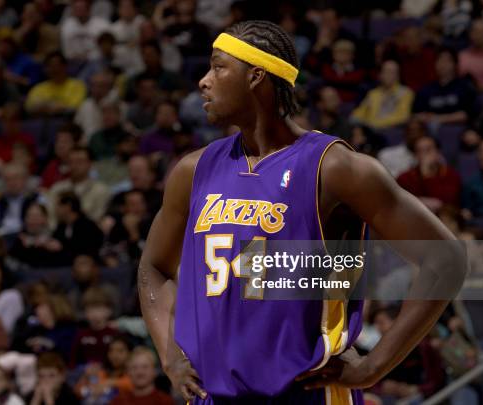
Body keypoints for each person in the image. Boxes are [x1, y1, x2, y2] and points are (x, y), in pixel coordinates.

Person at [138, 20, 465, 404]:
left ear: (256, 76)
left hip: (305, 392)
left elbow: (446, 259)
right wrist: (170, 356)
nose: (204, 81)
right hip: (214, 395)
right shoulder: (193, 171)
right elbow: (153, 268)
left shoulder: (336, 167)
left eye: (219, 66)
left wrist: (374, 366)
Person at [397, 136, 461, 212]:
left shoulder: (451, 175)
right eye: (420, 151)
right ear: (415, 155)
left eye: (428, 150)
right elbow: (403, 202)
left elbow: (449, 200)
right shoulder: (404, 177)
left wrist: (427, 177)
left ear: (438, 152)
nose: (425, 154)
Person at [351, 60, 414, 130]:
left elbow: (402, 117)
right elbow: (361, 111)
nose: (389, 75)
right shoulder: (373, 93)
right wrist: (355, 118)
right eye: (386, 72)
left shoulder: (405, 93)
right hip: (370, 129)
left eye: (392, 72)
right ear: (381, 75)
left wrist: (377, 123)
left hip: (391, 130)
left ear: (398, 75)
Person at [109, 347, 173, 405]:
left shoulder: (165, 401)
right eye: (134, 368)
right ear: (128, 372)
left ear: (154, 371)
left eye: (145, 367)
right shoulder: (118, 402)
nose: (139, 372)